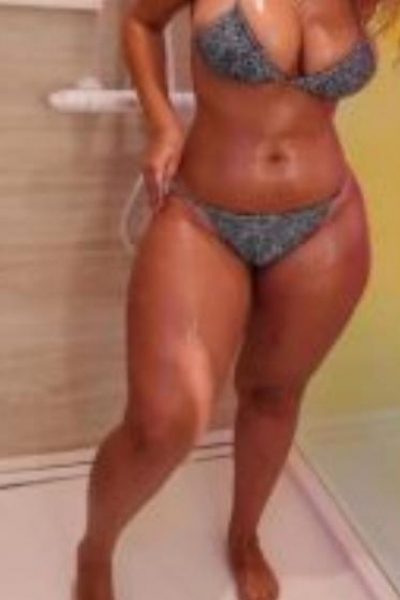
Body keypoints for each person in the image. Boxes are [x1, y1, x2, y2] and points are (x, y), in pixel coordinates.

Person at [74, 1, 399, 599]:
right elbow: (140, 22)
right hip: (203, 215)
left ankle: (244, 537)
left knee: (275, 394)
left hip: (326, 220)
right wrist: (162, 124)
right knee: (162, 424)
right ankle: (94, 551)